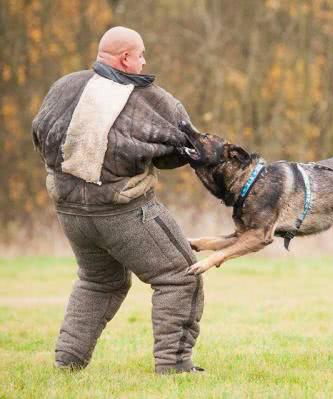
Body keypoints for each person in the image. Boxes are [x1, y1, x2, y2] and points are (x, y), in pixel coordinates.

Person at [32, 26, 204, 374]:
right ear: (126, 58)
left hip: (70, 213)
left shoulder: (63, 87)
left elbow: (39, 134)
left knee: (99, 281)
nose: (145, 60)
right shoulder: (148, 98)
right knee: (181, 274)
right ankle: (174, 366)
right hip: (122, 210)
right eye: (141, 54)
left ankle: (67, 363)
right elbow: (185, 150)